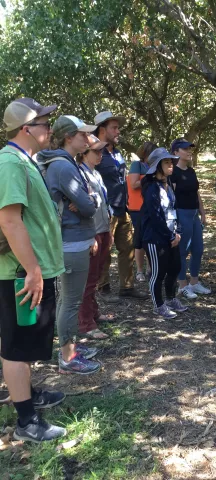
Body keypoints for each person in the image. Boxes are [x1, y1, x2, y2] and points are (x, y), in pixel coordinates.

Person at [0, 98, 66, 442]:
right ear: (26, 129)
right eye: (44, 123)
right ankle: (26, 420)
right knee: (16, 345)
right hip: (19, 274)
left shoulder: (25, 161)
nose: (50, 129)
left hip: (28, 270)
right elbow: (10, 222)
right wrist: (32, 270)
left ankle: (26, 392)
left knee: (27, 341)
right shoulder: (10, 162)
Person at [38, 115, 102, 375]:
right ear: (68, 137)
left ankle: (70, 345)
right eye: (83, 135)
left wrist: (88, 201)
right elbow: (87, 207)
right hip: (71, 243)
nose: (88, 138)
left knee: (69, 299)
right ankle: (68, 356)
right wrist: (92, 200)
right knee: (71, 301)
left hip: (74, 239)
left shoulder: (67, 163)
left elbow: (86, 203)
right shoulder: (63, 167)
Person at [94, 111, 148, 300]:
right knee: (104, 250)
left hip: (122, 208)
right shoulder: (94, 152)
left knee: (128, 247)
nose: (118, 131)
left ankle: (127, 287)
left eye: (118, 127)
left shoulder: (116, 152)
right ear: (102, 129)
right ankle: (103, 287)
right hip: (105, 210)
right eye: (114, 128)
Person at [141, 148, 188, 319]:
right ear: (157, 166)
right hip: (155, 238)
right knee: (158, 272)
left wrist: (177, 232)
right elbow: (155, 216)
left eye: (171, 162)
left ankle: (170, 298)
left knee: (175, 267)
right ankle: (158, 305)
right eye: (166, 162)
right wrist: (169, 236)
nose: (171, 165)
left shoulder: (168, 185)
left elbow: (173, 210)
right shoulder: (151, 188)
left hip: (171, 236)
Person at [77, 134, 112, 339]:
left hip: (103, 229)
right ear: (84, 153)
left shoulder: (95, 173)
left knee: (97, 275)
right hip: (92, 232)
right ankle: (86, 323)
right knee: (88, 280)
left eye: (101, 150)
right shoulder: (80, 174)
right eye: (96, 151)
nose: (100, 154)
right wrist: (92, 236)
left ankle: (94, 313)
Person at [170, 138, 211, 299]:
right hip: (181, 213)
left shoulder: (191, 171)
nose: (189, 152)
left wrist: (203, 212)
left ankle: (194, 282)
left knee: (198, 249)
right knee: (182, 250)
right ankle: (182, 285)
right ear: (176, 152)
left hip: (194, 214)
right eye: (185, 149)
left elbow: (197, 193)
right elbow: (171, 197)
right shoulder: (173, 172)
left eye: (190, 149)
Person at [127, 141, 157, 282]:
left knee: (151, 238)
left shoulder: (155, 166)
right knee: (139, 239)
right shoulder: (136, 165)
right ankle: (139, 270)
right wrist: (150, 177)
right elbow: (133, 184)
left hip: (152, 206)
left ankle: (151, 267)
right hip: (137, 208)